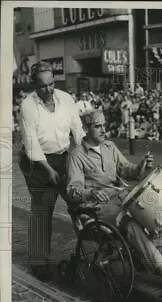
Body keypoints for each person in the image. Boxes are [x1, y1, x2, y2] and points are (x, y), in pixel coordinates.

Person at [65, 110, 162, 298]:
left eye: (104, 125)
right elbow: (72, 190)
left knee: (151, 207)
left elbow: (127, 170)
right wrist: (92, 192)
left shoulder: (110, 147)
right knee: (130, 223)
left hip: (121, 197)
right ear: (86, 129)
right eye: (98, 126)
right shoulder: (76, 156)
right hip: (97, 208)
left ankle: (145, 254)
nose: (104, 130)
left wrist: (142, 165)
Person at [18, 61, 85, 280]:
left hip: (63, 155)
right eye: (43, 86)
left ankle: (89, 251)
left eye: (51, 83)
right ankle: (39, 262)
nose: (49, 89)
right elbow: (31, 144)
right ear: (34, 86)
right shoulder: (28, 106)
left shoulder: (65, 99)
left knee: (78, 202)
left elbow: (78, 130)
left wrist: (83, 156)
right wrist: (47, 170)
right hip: (37, 163)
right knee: (42, 209)